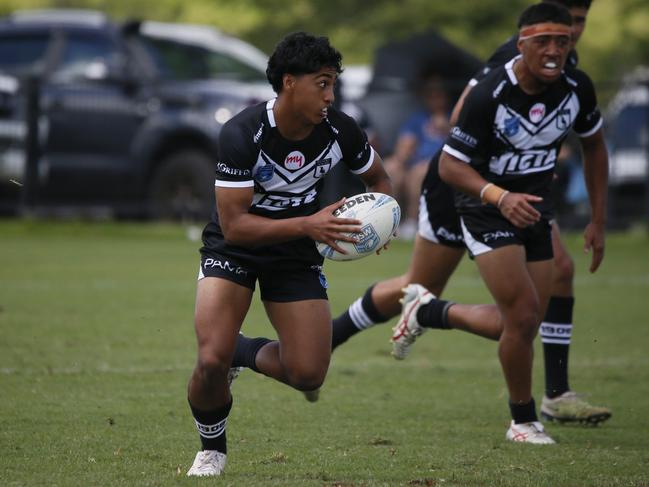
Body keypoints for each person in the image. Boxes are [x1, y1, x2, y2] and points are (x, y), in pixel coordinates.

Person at [327, 0, 611, 426]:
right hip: (463, 185)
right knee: (425, 286)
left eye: (578, 24)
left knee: (554, 278)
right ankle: (333, 337)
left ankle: (554, 393)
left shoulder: (568, 69)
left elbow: (585, 138)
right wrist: (513, 162)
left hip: (515, 193)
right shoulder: (510, 60)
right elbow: (464, 118)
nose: (571, 32)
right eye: (564, 23)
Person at [184, 31, 392, 477]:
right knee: (208, 359)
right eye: (322, 83)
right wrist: (308, 223)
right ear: (289, 82)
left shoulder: (340, 129)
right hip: (235, 247)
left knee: (307, 374)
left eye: (334, 83)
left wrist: (381, 222)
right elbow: (236, 224)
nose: (330, 96)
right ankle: (212, 447)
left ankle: (241, 352)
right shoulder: (242, 133)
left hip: (296, 252)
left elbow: (379, 179)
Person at [383, 73, 450, 239]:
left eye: (438, 95)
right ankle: (386, 222)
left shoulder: (454, 118)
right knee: (390, 167)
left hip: (441, 165)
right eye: (430, 96)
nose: (434, 100)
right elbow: (404, 146)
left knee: (420, 173)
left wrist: (447, 129)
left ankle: (412, 222)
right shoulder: (418, 119)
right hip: (414, 163)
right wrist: (401, 158)